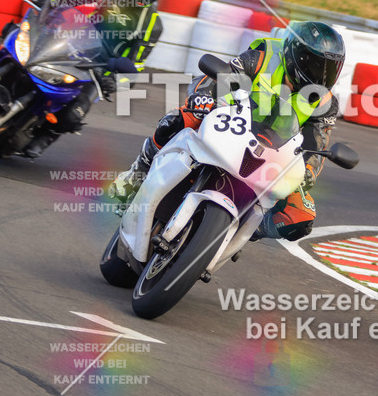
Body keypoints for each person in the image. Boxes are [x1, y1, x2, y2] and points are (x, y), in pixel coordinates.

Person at [108, 21, 346, 242]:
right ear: (296, 55)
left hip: (274, 150)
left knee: (301, 215)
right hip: (231, 119)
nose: (322, 75)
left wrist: (307, 173)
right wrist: (204, 98)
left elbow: (316, 144)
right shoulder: (264, 55)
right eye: (316, 65)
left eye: (330, 69)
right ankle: (138, 172)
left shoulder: (326, 102)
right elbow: (222, 78)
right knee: (179, 118)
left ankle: (249, 228)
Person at [22, 0, 172, 158]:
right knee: (24, 55)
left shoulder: (153, 24)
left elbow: (135, 65)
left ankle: (46, 136)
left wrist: (116, 82)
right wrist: (52, 2)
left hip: (97, 70)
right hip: (70, 44)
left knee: (73, 114)